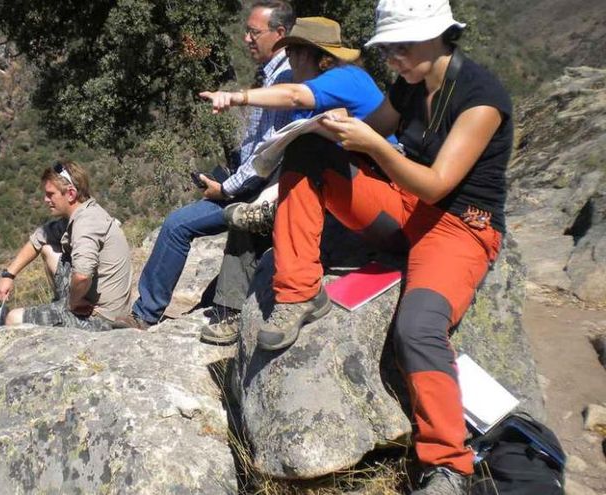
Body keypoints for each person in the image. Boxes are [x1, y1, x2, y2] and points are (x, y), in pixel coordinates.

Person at [264, 1, 514, 493]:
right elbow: (378, 127)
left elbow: (437, 185)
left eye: (402, 47)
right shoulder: (409, 83)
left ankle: (447, 463)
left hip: (458, 226)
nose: (393, 59)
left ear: (440, 37)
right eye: (389, 49)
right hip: (404, 209)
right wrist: (334, 129)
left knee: (418, 328)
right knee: (308, 152)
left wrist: (372, 146)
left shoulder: (481, 97)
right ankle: (297, 293)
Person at [196, 16, 388, 344]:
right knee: (254, 216)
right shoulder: (311, 105)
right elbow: (296, 168)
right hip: (340, 202)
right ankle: (230, 311)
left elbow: (296, 98)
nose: (289, 61)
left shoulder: (348, 79)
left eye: (292, 53)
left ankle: (278, 287)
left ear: (307, 54)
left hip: (377, 201)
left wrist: (236, 97)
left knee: (301, 158)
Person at [118, 1, 296, 330]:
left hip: (258, 192)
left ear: (280, 33)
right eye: (246, 31)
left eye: (254, 32)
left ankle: (144, 315)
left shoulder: (283, 81)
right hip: (252, 185)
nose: (246, 39)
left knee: (176, 226)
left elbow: (267, 155)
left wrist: (225, 189)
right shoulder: (274, 75)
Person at [0, 161, 132, 331]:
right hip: (94, 303)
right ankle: (62, 307)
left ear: (70, 194)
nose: (46, 200)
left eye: (50, 194)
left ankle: (64, 311)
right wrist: (9, 275)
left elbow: (83, 276)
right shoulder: (82, 212)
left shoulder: (86, 224)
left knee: (12, 319)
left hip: (102, 320)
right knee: (47, 248)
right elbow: (40, 238)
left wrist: (72, 303)